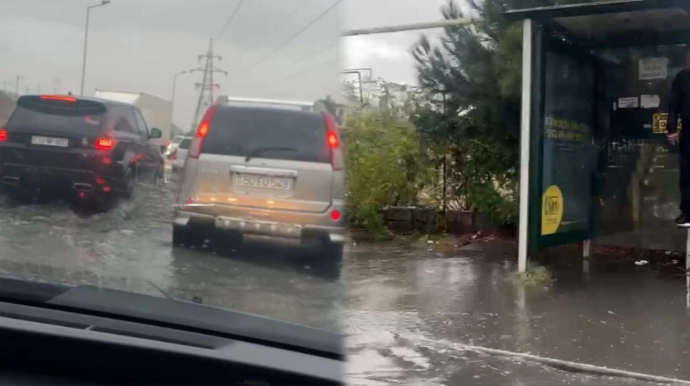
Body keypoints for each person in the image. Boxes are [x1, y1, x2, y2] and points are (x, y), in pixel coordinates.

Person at [668, 52, 690, 224]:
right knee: (687, 172)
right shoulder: (683, 78)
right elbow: (673, 104)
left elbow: (674, 104)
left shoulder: (682, 77)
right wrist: (672, 129)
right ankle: (688, 212)